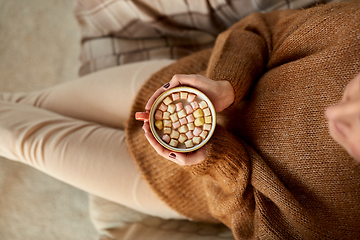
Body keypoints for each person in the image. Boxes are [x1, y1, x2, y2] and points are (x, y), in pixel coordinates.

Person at [0, 1, 359, 239]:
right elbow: (263, 30)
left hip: (188, 183)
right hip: (179, 89)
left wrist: (215, 160)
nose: (336, 111)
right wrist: (225, 83)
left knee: (25, 140)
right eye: (354, 94)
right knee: (23, 103)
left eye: (354, 129)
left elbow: (256, 229)